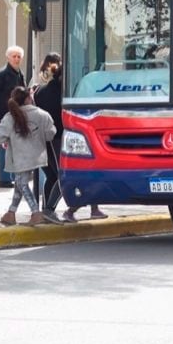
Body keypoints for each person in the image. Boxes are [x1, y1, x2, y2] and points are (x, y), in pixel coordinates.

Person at [34, 52, 106, 223]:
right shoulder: (66, 94)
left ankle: (50, 209)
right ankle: (50, 209)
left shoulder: (40, 91)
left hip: (45, 138)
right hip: (61, 137)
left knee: (54, 176)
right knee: (64, 175)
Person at [0, 86, 55, 226]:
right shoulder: (42, 114)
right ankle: (11, 213)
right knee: (20, 183)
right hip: (37, 156)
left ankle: (35, 212)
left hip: (19, 157)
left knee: (22, 184)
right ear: (28, 98)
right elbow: (50, 134)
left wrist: (8, 140)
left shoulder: (10, 117)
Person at [0, 45, 25, 188]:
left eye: (19, 57)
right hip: (4, 116)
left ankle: (11, 177)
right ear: (8, 57)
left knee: (13, 148)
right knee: (5, 148)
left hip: (16, 117)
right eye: (14, 56)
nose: (16, 59)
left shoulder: (20, 75)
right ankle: (4, 178)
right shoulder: (0, 75)